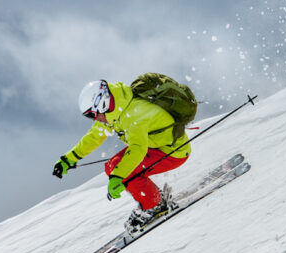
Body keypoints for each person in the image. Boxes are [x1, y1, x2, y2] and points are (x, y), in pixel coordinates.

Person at [52, 78, 191, 230]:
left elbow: (138, 148)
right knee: (112, 166)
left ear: (102, 103)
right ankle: (155, 199)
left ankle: (154, 205)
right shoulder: (115, 109)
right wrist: (68, 159)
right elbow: (94, 136)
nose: (94, 119)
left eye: (92, 115)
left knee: (121, 170)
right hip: (155, 146)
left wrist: (119, 177)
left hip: (172, 152)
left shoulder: (133, 114)